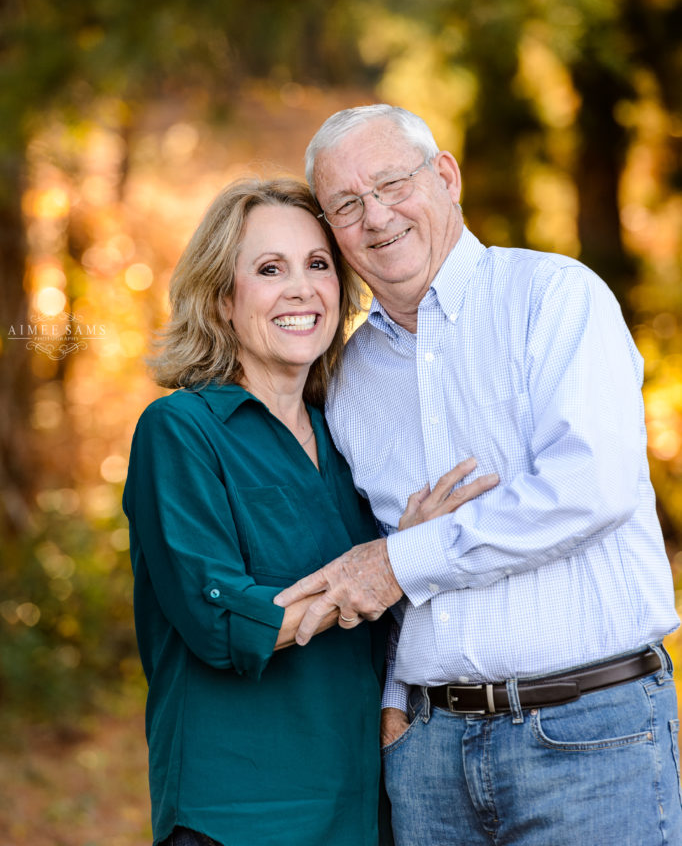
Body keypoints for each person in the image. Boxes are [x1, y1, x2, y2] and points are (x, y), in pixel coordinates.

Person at [274, 106, 682, 846]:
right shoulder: (346, 377)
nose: (376, 216)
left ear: (446, 176)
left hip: (588, 736)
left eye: (392, 183)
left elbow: (590, 489)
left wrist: (402, 559)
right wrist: (396, 694)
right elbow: (371, 559)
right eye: (346, 205)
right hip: (428, 754)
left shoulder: (553, 298)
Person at [122, 177, 497, 846]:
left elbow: (398, 609)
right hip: (236, 811)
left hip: (362, 805)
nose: (301, 288)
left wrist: (400, 563)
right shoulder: (180, 430)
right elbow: (223, 621)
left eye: (318, 265)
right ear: (222, 299)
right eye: (270, 269)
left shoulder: (350, 435)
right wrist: (380, 571)